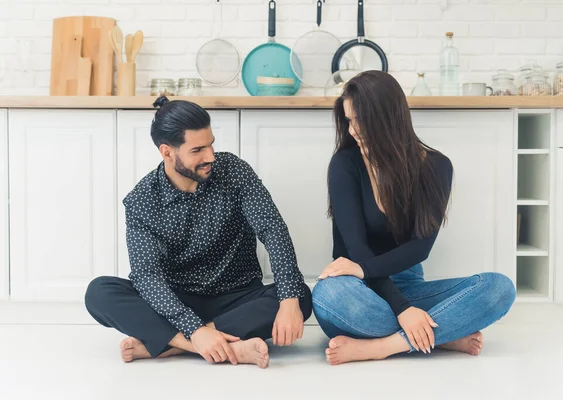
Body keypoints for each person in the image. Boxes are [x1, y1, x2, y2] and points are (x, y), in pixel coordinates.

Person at [85, 96, 312, 368]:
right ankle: (215, 347)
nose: (210, 157)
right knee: (99, 293)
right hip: (176, 301)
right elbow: (147, 276)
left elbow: (272, 229)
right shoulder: (142, 201)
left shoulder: (233, 170)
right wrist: (194, 330)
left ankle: (170, 345)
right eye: (198, 150)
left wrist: (288, 300)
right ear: (167, 152)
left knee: (301, 296)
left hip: (238, 297)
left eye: (211, 144)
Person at [312, 71, 516, 366]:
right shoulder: (345, 164)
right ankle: (442, 334)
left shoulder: (436, 167)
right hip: (358, 290)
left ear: (387, 117)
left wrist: (406, 305)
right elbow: (356, 252)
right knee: (327, 295)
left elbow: (420, 249)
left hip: (409, 285)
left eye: (359, 120)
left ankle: (384, 346)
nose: (352, 130)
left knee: (499, 288)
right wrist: (402, 309)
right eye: (348, 120)